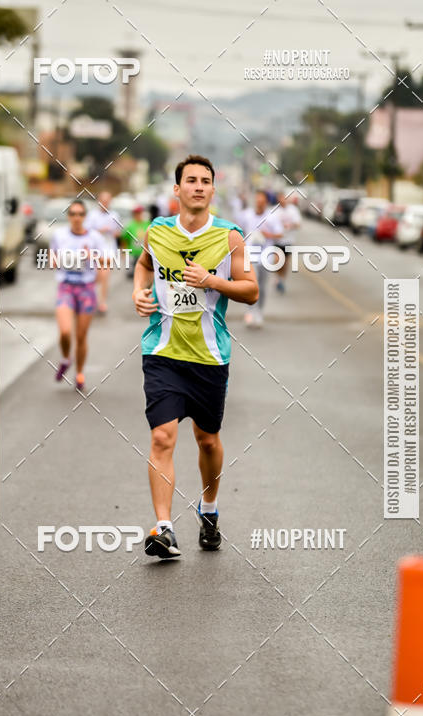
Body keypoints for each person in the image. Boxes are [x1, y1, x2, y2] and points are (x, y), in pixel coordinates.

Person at [132, 155, 258, 559]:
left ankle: (208, 509)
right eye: (191, 180)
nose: (198, 186)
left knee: (207, 440)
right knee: (162, 437)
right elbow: (143, 265)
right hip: (162, 351)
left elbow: (251, 290)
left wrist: (212, 281)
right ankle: (164, 527)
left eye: (206, 181)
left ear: (213, 190)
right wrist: (139, 292)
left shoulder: (230, 237)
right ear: (177, 189)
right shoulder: (156, 232)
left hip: (208, 357)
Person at [51, 199, 106, 392]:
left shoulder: (95, 238)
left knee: (81, 336)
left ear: (85, 217)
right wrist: (64, 259)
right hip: (66, 288)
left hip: (86, 290)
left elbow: (107, 260)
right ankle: (66, 358)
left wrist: (92, 257)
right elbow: (52, 260)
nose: (76, 218)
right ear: (68, 216)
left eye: (80, 214)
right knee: (65, 331)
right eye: (73, 214)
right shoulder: (59, 235)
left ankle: (80, 373)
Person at [238, 190, 283, 327]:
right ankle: (250, 312)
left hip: (266, 256)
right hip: (250, 254)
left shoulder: (272, 217)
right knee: (252, 284)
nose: (259, 203)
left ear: (266, 202)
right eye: (257, 200)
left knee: (262, 287)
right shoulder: (247, 215)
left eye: (262, 201)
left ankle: (259, 312)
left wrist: (267, 234)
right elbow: (239, 231)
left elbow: (280, 234)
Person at [86, 191, 121, 313]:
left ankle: (102, 302)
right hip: (94, 250)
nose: (105, 203)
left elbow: (118, 232)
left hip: (109, 249)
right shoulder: (92, 215)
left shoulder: (115, 215)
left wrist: (113, 232)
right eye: (103, 201)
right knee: (96, 276)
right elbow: (87, 232)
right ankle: (89, 296)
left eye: (107, 201)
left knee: (105, 275)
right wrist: (101, 230)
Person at [273, 192, 302, 294]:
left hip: (289, 240)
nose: (282, 201)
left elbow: (298, 224)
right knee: (277, 261)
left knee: (285, 263)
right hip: (277, 241)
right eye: (280, 199)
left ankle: (281, 280)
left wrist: (290, 225)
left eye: (284, 199)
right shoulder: (275, 211)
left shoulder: (293, 210)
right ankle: (277, 277)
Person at [120, 206, 149, 280]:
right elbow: (124, 240)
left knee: (144, 276)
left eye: (139, 213)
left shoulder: (147, 224)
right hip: (133, 255)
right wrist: (123, 252)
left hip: (144, 254)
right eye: (136, 213)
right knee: (133, 277)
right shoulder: (130, 226)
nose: (138, 215)